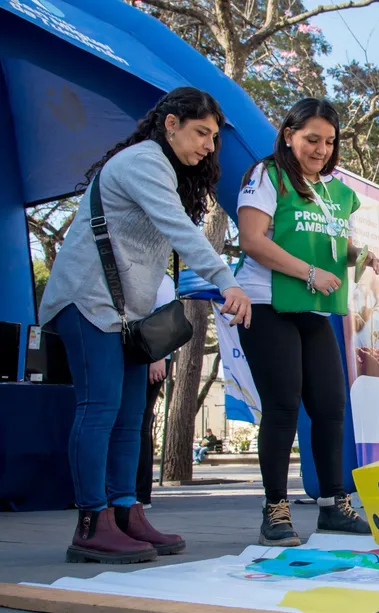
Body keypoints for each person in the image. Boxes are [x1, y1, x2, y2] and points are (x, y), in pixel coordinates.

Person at [38, 87, 253, 564]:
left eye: (214, 137)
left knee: (130, 417)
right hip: (87, 302)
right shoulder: (143, 160)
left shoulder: (167, 171)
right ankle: (91, 524)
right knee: (100, 410)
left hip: (127, 318)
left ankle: (125, 512)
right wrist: (226, 282)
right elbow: (180, 230)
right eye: (202, 132)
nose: (209, 146)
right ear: (171, 123)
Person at [236, 98, 379, 545]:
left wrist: (359, 255)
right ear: (288, 134)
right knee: (283, 406)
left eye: (329, 141)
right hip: (267, 303)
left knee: (332, 406)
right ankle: (275, 509)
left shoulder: (332, 189)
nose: (321, 149)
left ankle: (334, 505)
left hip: (316, 309)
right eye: (312, 139)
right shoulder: (268, 176)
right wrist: (309, 273)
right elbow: (252, 240)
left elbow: (329, 243)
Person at [136, 274, 175, 509]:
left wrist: (157, 357)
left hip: (153, 356)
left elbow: (166, 320)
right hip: (134, 353)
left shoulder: (161, 279)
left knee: (140, 423)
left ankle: (141, 492)